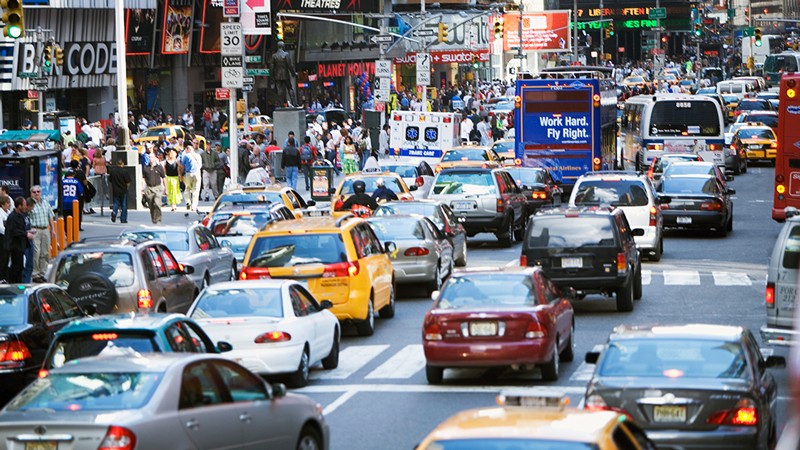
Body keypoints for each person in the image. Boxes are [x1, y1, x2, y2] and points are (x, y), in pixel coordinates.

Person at [28, 185, 54, 283]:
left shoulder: (45, 203)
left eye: (38, 191)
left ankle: (43, 273)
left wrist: (52, 229)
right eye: (34, 192)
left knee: (45, 253)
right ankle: (35, 274)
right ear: (31, 193)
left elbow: (50, 215)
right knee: (36, 253)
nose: (36, 193)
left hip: (45, 229)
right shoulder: (30, 204)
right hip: (35, 230)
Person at [4, 197, 31, 284]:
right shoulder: (12, 217)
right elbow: (14, 231)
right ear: (19, 206)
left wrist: (28, 231)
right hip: (15, 246)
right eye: (24, 205)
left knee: (20, 267)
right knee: (16, 267)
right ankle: (13, 285)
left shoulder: (21, 216)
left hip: (21, 246)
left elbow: (20, 229)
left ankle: (19, 285)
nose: (26, 207)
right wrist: (26, 234)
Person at [142, 156, 166, 224]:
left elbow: (164, 178)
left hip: (157, 187)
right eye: (149, 157)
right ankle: (154, 218)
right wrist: (142, 188)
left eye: (152, 157)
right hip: (149, 188)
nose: (150, 159)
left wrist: (166, 188)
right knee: (151, 204)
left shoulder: (159, 167)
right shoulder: (146, 168)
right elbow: (143, 179)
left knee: (157, 203)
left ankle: (158, 218)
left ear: (155, 158)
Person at [180, 145, 202, 214]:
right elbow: (200, 165)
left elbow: (182, 165)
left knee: (187, 188)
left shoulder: (186, 156)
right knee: (196, 190)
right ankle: (194, 206)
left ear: (187, 149)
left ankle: (188, 202)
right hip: (197, 173)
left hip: (189, 173)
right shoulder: (198, 156)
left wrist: (181, 175)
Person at [0, 195, 10, 282]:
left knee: (7, 258)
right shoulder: (0, 213)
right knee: (3, 257)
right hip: (2, 238)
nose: (9, 205)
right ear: (2, 204)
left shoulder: (8, 212)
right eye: (7, 203)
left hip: (8, 238)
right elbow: (1, 228)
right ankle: (1, 277)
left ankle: (6, 276)